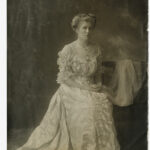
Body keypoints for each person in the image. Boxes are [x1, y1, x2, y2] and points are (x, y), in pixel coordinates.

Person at [16, 13, 120, 150]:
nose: (88, 31)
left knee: (104, 103)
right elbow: (64, 77)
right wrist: (84, 87)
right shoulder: (68, 49)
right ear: (76, 29)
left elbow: (98, 72)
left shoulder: (97, 49)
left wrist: (99, 84)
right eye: (84, 28)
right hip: (72, 88)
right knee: (87, 108)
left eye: (90, 28)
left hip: (92, 86)